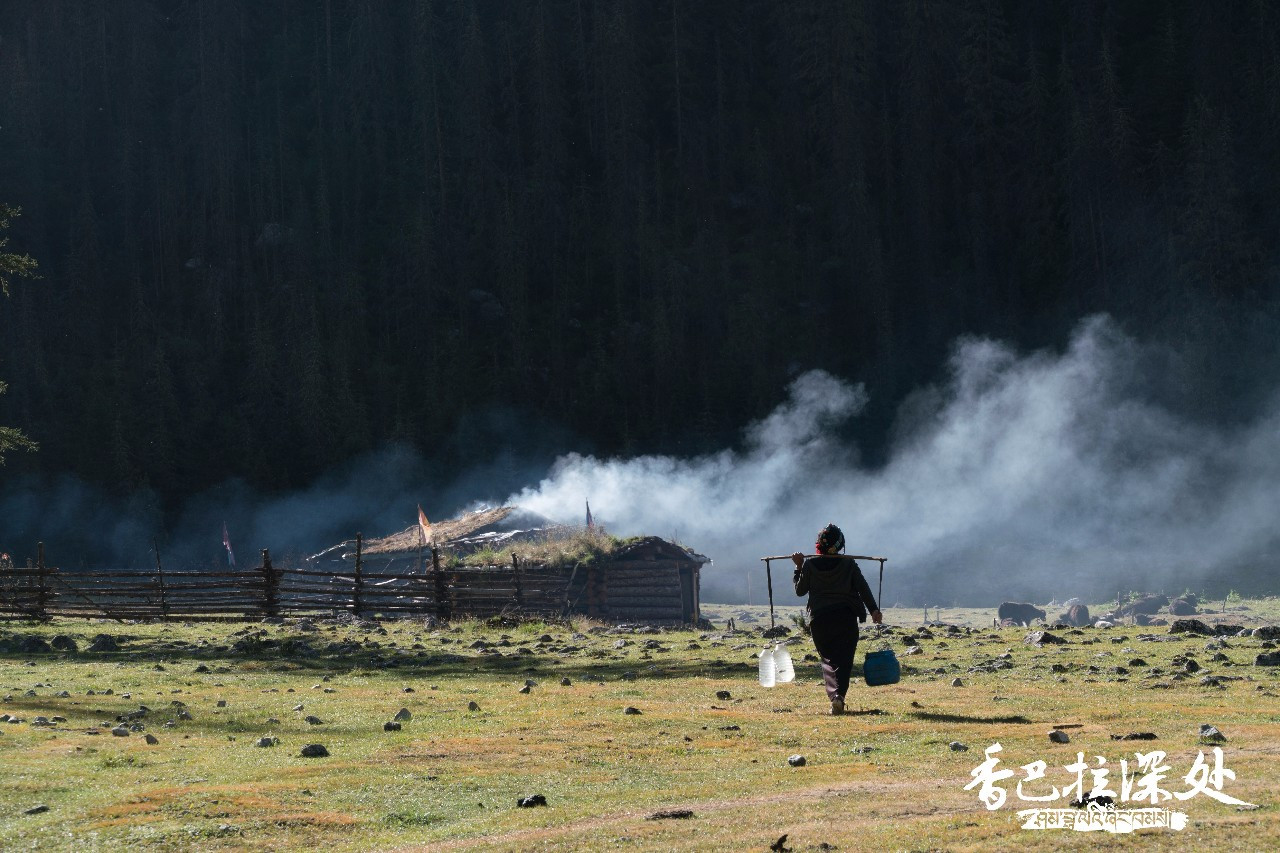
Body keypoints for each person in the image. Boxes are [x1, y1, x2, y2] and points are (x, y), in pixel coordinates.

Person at [792, 523, 882, 715]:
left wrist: (798, 567)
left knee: (829, 660)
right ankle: (839, 696)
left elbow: (800, 591)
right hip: (845, 618)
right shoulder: (848, 564)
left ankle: (835, 697)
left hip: (820, 619)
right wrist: (873, 610)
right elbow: (862, 587)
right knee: (845, 660)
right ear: (840, 545)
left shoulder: (809, 564)